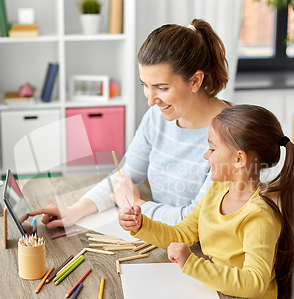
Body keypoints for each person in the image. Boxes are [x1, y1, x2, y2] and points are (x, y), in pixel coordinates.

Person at [29, 19, 230, 227]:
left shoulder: (231, 136)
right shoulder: (157, 117)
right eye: (146, 85)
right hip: (162, 237)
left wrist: (136, 203)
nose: (151, 100)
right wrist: (73, 211)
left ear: (196, 81)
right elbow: (123, 178)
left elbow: (197, 222)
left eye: (161, 88)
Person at [118, 104, 294, 299]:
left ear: (239, 160)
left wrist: (193, 264)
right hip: (218, 298)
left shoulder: (258, 218)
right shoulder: (217, 190)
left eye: (212, 149)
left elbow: (254, 283)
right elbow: (184, 233)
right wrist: (142, 225)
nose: (206, 155)